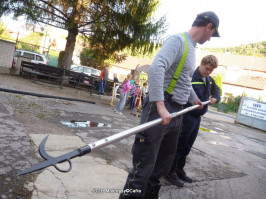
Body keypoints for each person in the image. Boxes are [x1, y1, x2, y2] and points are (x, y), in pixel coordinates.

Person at [120, 11, 220, 199]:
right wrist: (160, 105)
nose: (210, 38)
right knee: (144, 165)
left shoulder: (192, 48)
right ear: (208, 27)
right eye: (212, 33)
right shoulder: (178, 41)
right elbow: (157, 67)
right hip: (162, 107)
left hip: (176, 112)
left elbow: (183, 80)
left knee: (162, 165)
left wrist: (193, 99)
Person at [164, 55, 221, 186]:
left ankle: (179, 170)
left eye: (211, 70)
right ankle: (169, 171)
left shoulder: (209, 80)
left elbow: (217, 90)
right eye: (207, 69)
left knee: (188, 145)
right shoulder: (190, 77)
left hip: (197, 118)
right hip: (187, 115)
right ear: (201, 63)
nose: (208, 72)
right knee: (179, 144)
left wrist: (216, 98)